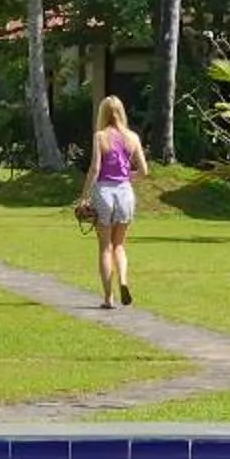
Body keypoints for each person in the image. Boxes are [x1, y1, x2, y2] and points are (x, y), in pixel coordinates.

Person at [77, 94, 150, 308]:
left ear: (103, 114)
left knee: (104, 247)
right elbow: (144, 171)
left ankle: (109, 297)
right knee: (119, 245)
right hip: (125, 193)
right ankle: (124, 281)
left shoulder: (100, 136)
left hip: (104, 192)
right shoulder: (133, 138)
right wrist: (127, 177)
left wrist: (84, 197)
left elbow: (95, 169)